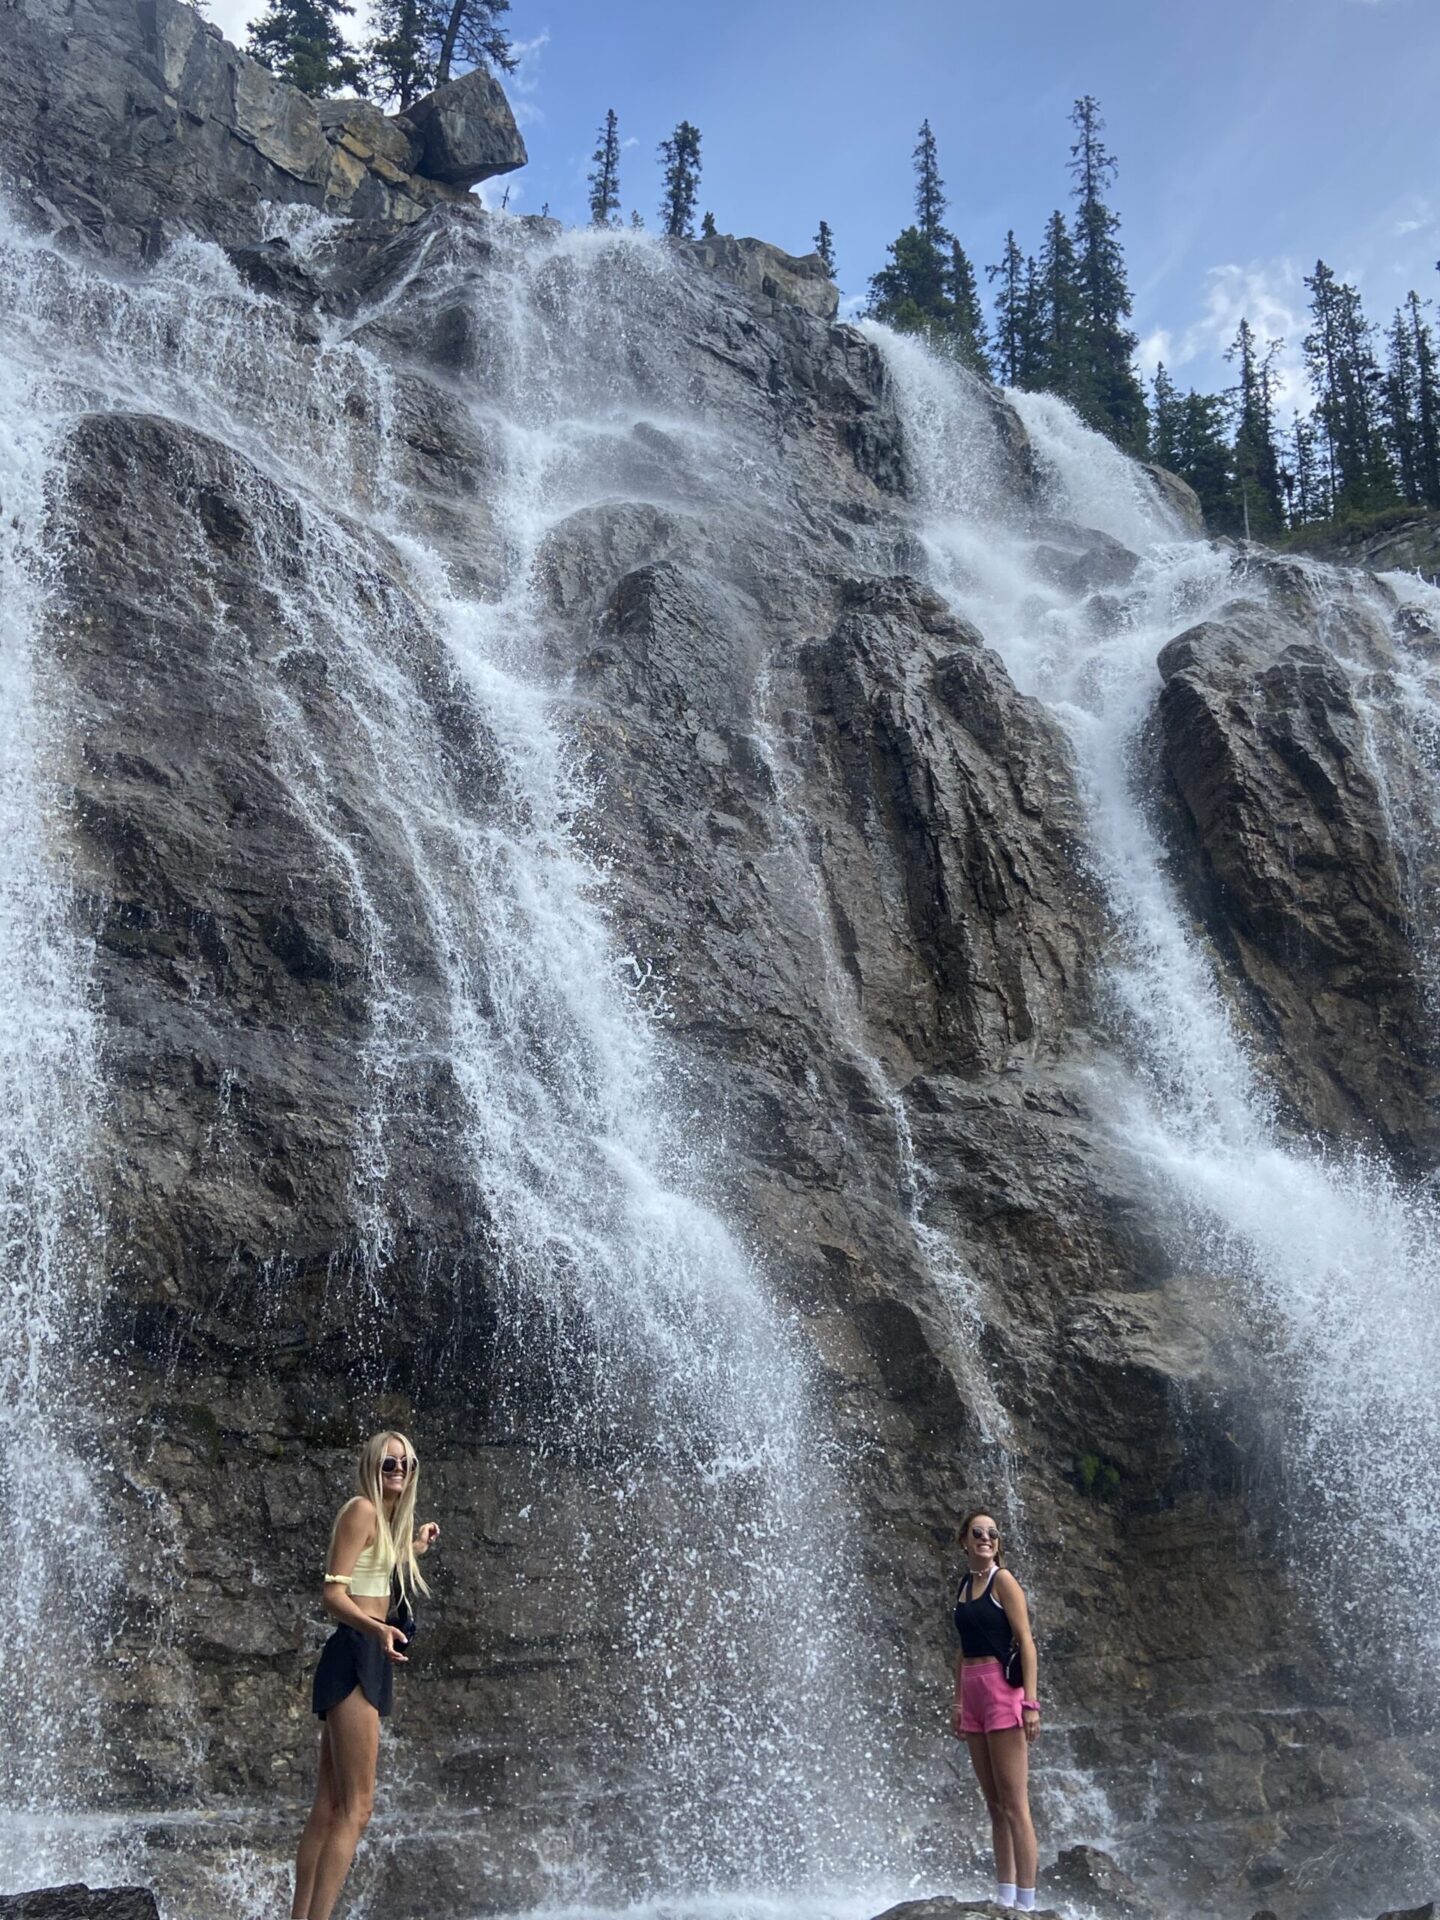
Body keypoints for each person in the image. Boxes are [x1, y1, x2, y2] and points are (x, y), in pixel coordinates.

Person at [291, 1430, 440, 1920]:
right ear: (372, 1466)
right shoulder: (362, 1509)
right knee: (357, 1808)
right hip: (356, 1651)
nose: (398, 1470)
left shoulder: (383, 1521)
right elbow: (332, 1594)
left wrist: (414, 1548)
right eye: (388, 1463)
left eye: (406, 1464)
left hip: (365, 1649)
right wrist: (376, 1630)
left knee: (331, 1805)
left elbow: (376, 1569)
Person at [950, 1508, 1041, 1912]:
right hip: (972, 1693)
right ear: (964, 1541)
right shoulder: (964, 1587)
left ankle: (1027, 1904)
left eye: (992, 1533)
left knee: (1015, 1804)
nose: (986, 1538)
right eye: (978, 1532)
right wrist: (957, 1700)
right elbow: (962, 1650)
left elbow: (1026, 1641)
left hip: (1003, 1692)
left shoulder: (1003, 1581)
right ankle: (1003, 1896)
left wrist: (1031, 1703)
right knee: (994, 1805)